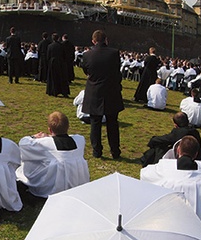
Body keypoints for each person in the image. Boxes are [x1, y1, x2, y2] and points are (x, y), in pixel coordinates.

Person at [140, 135, 201, 228]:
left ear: (178, 150)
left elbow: (144, 174)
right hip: (199, 222)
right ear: (196, 154)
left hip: (170, 220)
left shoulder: (165, 166)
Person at [17, 111, 90, 198]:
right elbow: (69, 137)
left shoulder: (44, 143)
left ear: (50, 130)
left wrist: (35, 136)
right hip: (78, 184)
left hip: (52, 189)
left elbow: (23, 143)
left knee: (23, 168)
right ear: (68, 127)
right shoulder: (80, 140)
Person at [81, 29, 124, 159]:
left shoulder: (87, 55)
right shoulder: (114, 53)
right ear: (106, 40)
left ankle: (97, 151)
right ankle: (115, 151)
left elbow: (86, 70)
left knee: (95, 123)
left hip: (94, 91)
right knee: (112, 123)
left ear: (93, 41)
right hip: (111, 91)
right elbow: (117, 71)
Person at [46, 33, 69, 97]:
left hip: (52, 62)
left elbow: (48, 56)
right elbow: (64, 55)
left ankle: (53, 91)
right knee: (61, 77)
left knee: (53, 77)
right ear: (58, 38)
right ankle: (63, 91)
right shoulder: (61, 46)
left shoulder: (50, 46)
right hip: (61, 63)